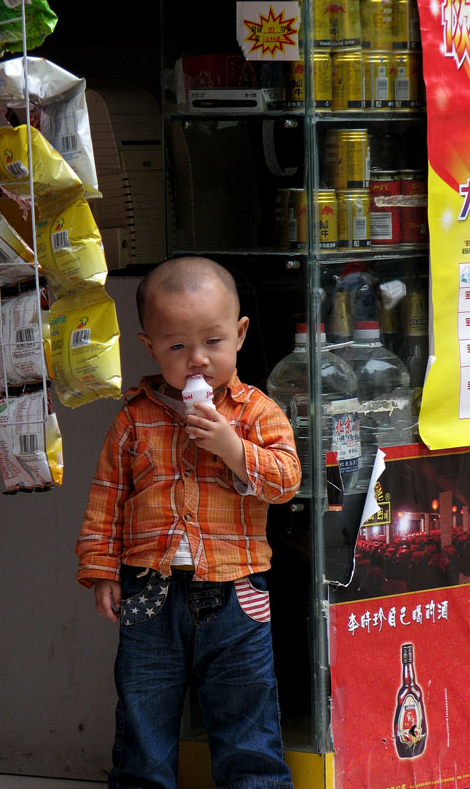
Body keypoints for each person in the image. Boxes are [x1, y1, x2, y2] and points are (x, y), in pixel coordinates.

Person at [76, 256, 301, 789]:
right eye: (177, 346)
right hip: (149, 594)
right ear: (149, 346)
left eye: (213, 342)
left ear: (240, 334)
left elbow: (286, 481)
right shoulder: (135, 417)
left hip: (237, 595)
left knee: (247, 724)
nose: (197, 360)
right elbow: (108, 497)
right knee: (142, 722)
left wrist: (232, 447)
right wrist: (102, 569)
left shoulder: (256, 413)